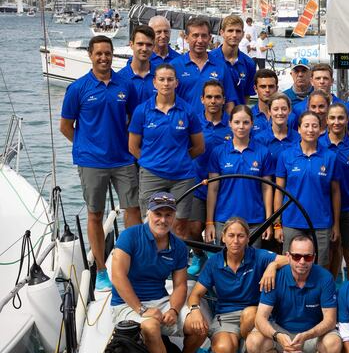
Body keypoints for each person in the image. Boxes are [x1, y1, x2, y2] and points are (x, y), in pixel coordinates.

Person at [60, 35, 141, 291]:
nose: (104, 58)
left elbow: (135, 121)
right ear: (90, 56)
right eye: (99, 54)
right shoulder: (78, 88)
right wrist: (87, 145)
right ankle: (102, 270)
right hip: (91, 162)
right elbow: (65, 126)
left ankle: (133, 263)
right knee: (95, 214)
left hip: (123, 160)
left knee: (133, 210)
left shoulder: (125, 85)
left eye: (108, 53)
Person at [110, 192, 194, 353]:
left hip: (160, 301)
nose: (163, 220)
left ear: (174, 217)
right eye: (158, 213)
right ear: (148, 213)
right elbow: (118, 276)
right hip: (127, 304)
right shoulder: (130, 236)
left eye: (168, 214)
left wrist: (174, 310)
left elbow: (181, 285)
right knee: (150, 327)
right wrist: (141, 310)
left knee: (196, 323)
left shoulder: (179, 247)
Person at [184, 217, 288, 353]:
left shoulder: (258, 256)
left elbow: (289, 259)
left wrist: (272, 266)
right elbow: (195, 295)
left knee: (249, 313)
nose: (236, 241)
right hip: (225, 315)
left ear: (247, 238)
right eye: (231, 235)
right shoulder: (213, 263)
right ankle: (235, 348)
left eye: (240, 236)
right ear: (223, 237)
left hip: (253, 314)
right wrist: (195, 310)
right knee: (223, 350)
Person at [247, 234, 342, 353]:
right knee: (252, 344)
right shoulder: (275, 277)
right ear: (288, 256)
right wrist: (277, 336)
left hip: (313, 333)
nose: (302, 261)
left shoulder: (325, 278)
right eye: (297, 256)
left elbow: (330, 320)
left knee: (334, 345)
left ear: (314, 257)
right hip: (282, 330)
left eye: (307, 257)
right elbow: (260, 318)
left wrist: (306, 335)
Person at [128, 63, 204, 240]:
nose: (166, 83)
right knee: (150, 224)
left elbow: (199, 147)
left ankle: (177, 265)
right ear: (154, 82)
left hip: (182, 177)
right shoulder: (142, 111)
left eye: (170, 79)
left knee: (179, 225)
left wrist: (179, 159)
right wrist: (150, 161)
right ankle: (152, 264)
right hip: (151, 175)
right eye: (161, 79)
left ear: (176, 83)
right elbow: (133, 147)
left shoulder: (188, 111)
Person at [274, 111, 341, 269]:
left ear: (321, 129)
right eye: (306, 126)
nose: (310, 130)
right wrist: (277, 225)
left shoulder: (330, 157)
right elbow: (279, 191)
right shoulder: (286, 156)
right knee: (289, 267)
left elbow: (335, 193)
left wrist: (336, 225)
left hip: (321, 223)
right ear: (298, 129)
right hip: (292, 222)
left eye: (315, 126)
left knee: (319, 267)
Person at [205, 105, 274, 245]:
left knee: (251, 264)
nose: (241, 126)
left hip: (254, 220)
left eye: (246, 122)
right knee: (224, 264)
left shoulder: (263, 152)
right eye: (237, 122)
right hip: (224, 219)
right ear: (230, 123)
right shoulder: (218, 152)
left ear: (252, 124)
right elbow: (213, 189)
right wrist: (209, 222)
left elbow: (267, 188)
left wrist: (268, 221)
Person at [188, 81, 231, 276]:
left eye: (217, 97)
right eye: (209, 97)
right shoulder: (193, 122)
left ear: (223, 100)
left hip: (225, 189)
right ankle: (198, 255)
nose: (213, 101)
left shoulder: (233, 124)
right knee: (193, 228)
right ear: (202, 99)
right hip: (198, 185)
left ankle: (224, 265)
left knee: (226, 233)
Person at [321, 103, 349, 280]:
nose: (336, 122)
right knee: (329, 253)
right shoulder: (318, 145)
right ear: (327, 120)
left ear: (347, 120)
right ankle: (330, 292)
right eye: (332, 118)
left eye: (340, 118)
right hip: (325, 209)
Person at [170, 17, 238, 117]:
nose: (200, 40)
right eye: (195, 36)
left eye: (204, 36)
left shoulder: (221, 66)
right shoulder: (175, 66)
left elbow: (229, 103)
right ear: (186, 38)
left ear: (210, 38)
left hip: (213, 129)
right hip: (183, 128)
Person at [209, 15, 256, 106]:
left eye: (238, 31)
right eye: (230, 31)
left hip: (237, 118)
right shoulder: (209, 59)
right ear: (222, 33)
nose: (234, 35)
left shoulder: (249, 64)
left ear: (242, 34)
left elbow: (246, 96)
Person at [254, 92, 301, 166]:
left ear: (289, 111)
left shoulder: (299, 139)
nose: (280, 113)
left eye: (284, 109)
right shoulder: (259, 139)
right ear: (269, 111)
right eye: (276, 109)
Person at [118, 25, 156, 108]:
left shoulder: (161, 76)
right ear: (131, 44)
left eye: (149, 45)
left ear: (153, 46)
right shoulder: (118, 78)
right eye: (140, 44)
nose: (144, 49)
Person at [251, 68, 297, 133]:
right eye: (263, 86)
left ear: (277, 88)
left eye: (271, 86)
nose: (267, 90)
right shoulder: (248, 116)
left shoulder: (290, 118)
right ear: (255, 89)